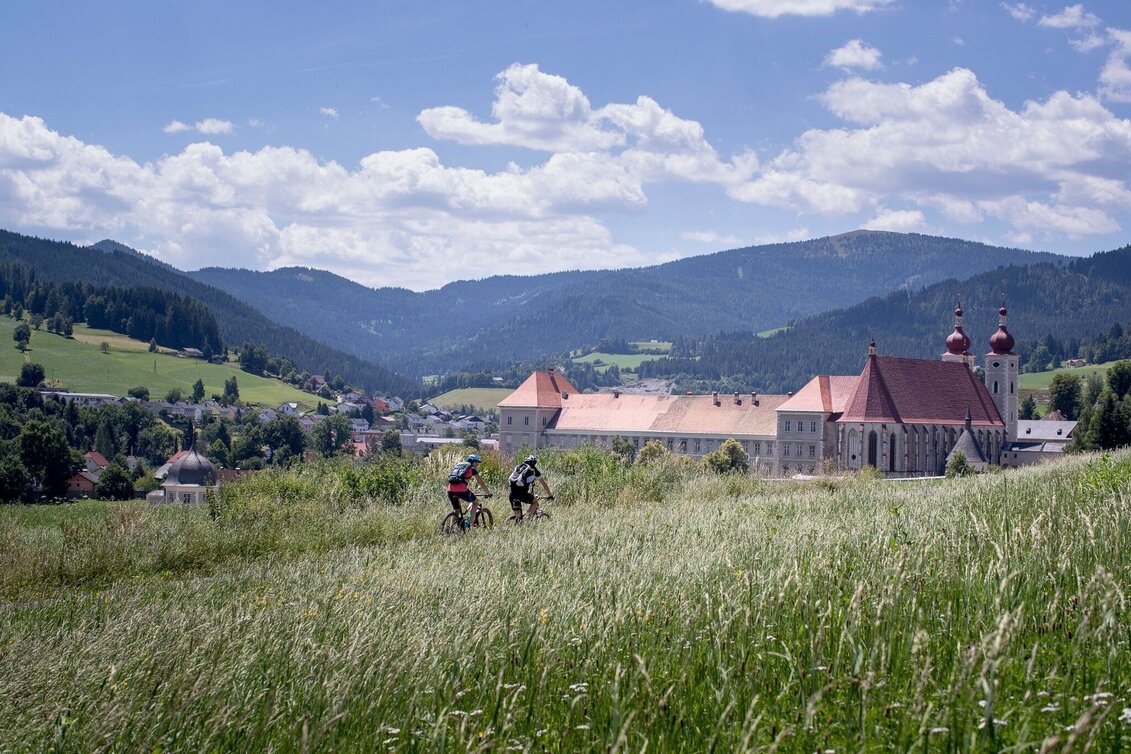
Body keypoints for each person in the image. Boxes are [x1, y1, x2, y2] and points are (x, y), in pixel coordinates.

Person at [448, 453, 492, 528]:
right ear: (471, 462)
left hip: (450, 490)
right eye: (476, 462)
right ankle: (470, 524)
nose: (477, 464)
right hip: (462, 491)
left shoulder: (458, 466)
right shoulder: (472, 469)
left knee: (456, 510)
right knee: (475, 502)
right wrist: (488, 493)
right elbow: (481, 483)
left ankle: (450, 528)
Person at [508, 454, 553, 520]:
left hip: (512, 494)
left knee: (518, 518)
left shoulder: (519, 467)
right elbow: (544, 484)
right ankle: (527, 520)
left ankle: (517, 524)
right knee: (535, 502)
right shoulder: (535, 472)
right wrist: (550, 495)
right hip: (522, 494)